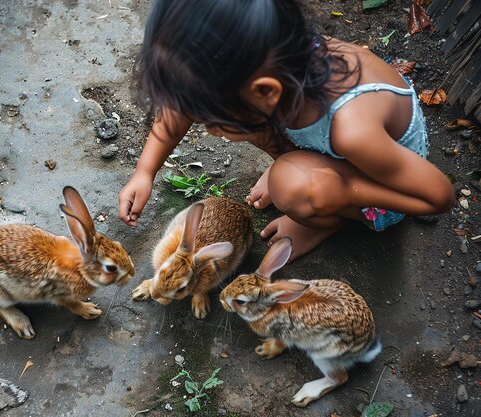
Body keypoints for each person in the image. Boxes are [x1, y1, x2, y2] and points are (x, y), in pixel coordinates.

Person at [118, 0, 454, 262]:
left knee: (288, 184)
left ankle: (325, 217)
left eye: (209, 120)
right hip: (330, 149)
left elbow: (438, 198)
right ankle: (306, 171)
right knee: (245, 123)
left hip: (382, 182)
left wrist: (346, 192)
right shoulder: (272, 59)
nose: (210, 129)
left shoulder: (354, 131)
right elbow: (182, 103)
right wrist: (145, 171)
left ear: (266, 92)